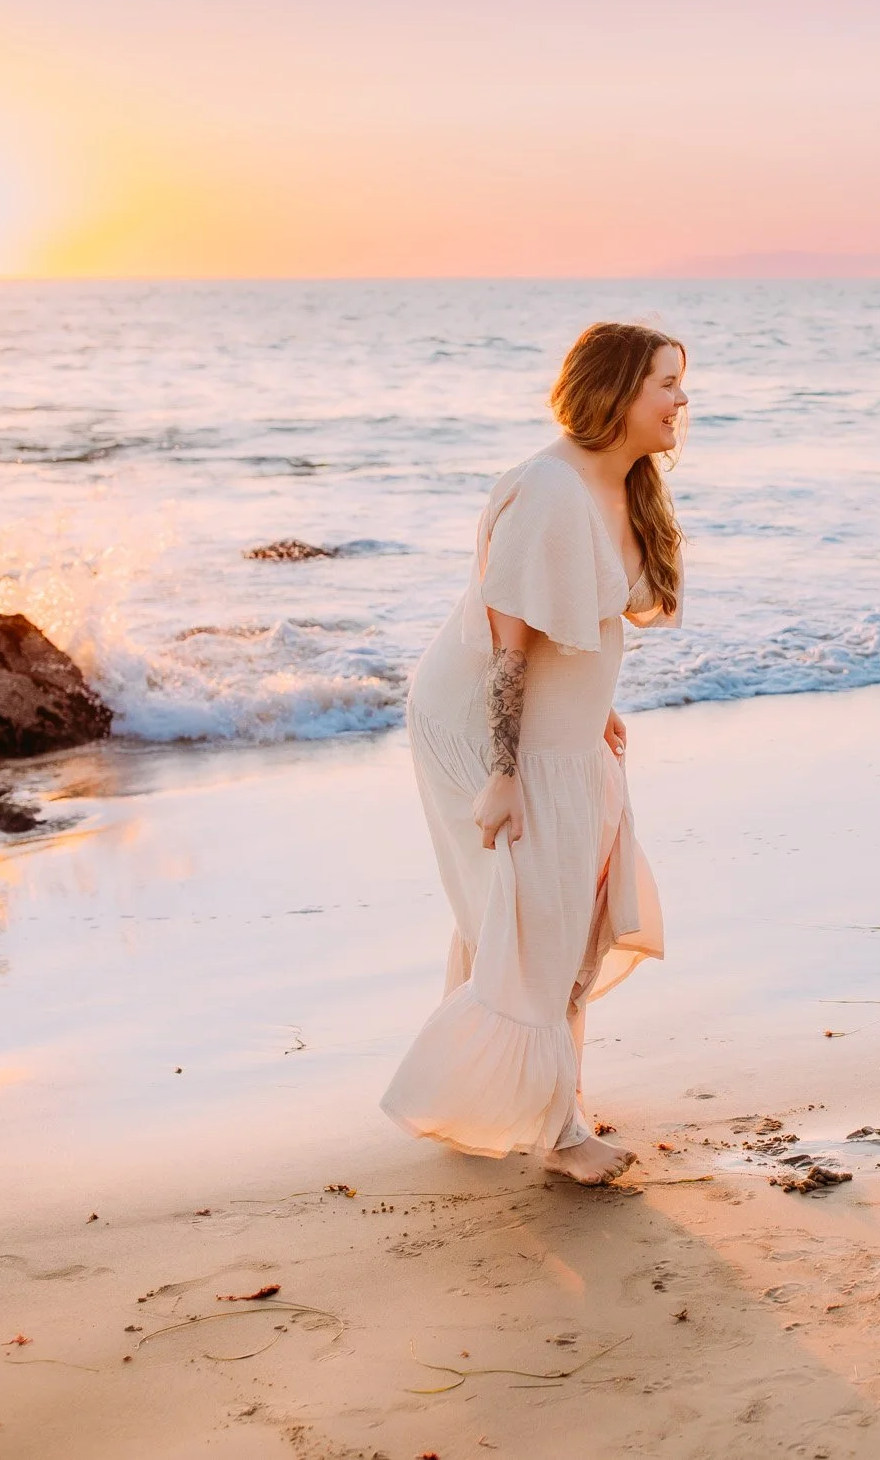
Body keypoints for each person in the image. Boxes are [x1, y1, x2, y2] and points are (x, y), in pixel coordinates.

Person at [381, 322, 686, 1185]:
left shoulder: (623, 487)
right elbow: (509, 648)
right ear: (620, 390)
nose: (681, 402)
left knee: (540, 907)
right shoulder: (548, 490)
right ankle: (555, 1132)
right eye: (666, 383)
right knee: (532, 914)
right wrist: (504, 775)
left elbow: (574, 629)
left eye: (680, 384)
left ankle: (490, 1098)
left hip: (558, 731)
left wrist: (597, 709)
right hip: (481, 726)